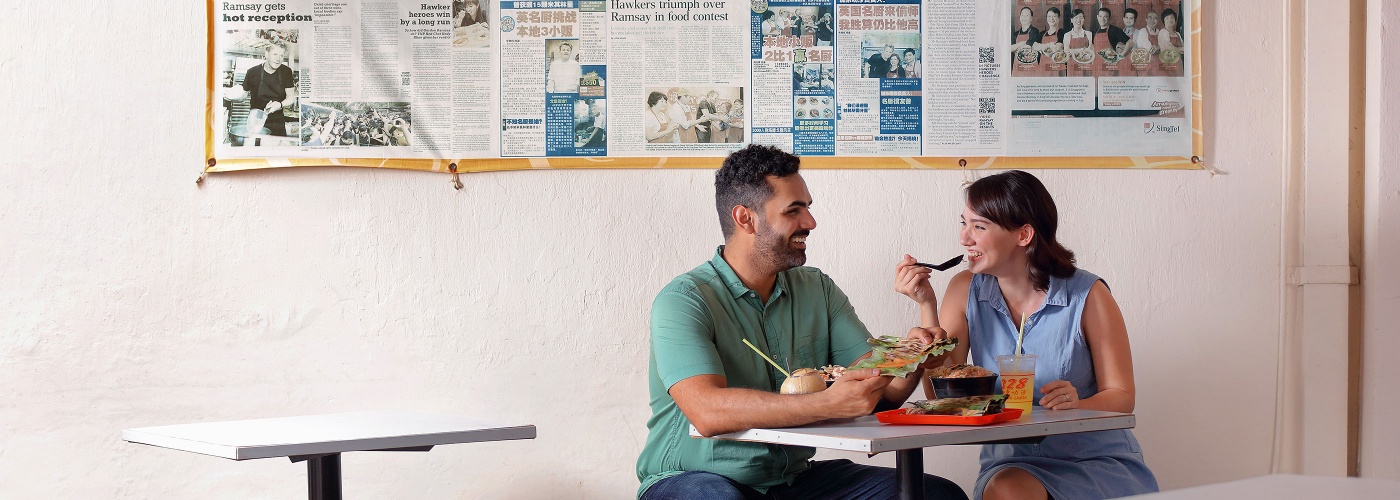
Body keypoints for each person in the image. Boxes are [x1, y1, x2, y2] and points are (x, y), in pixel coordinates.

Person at [637, 145, 969, 500]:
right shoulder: (684, 300)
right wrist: (827, 404)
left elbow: (881, 395)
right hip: (691, 479)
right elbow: (707, 411)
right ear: (745, 218)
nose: (810, 222)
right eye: (794, 210)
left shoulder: (818, 289)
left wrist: (911, 355)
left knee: (937, 494)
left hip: (793, 482)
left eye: (807, 207)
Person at [893, 171, 1158, 500]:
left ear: (1023, 235)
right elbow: (943, 398)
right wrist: (927, 306)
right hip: (1010, 466)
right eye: (963, 223)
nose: (964, 238)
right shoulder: (964, 290)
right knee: (1008, 488)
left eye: (979, 226)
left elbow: (1122, 397)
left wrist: (1079, 403)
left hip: (1095, 461)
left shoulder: (1088, 294)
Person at [240, 43, 296, 137]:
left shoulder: (286, 72)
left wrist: (280, 104)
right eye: (275, 54)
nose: (278, 59)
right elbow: (243, 95)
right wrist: (235, 95)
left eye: (281, 55)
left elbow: (291, 97)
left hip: (277, 122)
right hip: (256, 121)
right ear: (266, 54)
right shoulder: (252, 72)